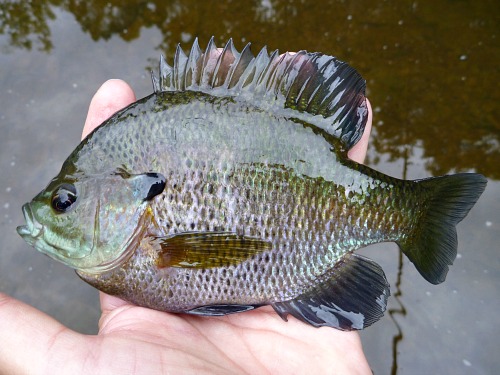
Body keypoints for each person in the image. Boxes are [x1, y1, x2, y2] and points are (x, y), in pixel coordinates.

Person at [0, 79, 373, 374]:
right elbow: (228, 249)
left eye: (64, 202)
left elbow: (228, 250)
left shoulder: (157, 247)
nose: (50, 214)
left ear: (130, 190)